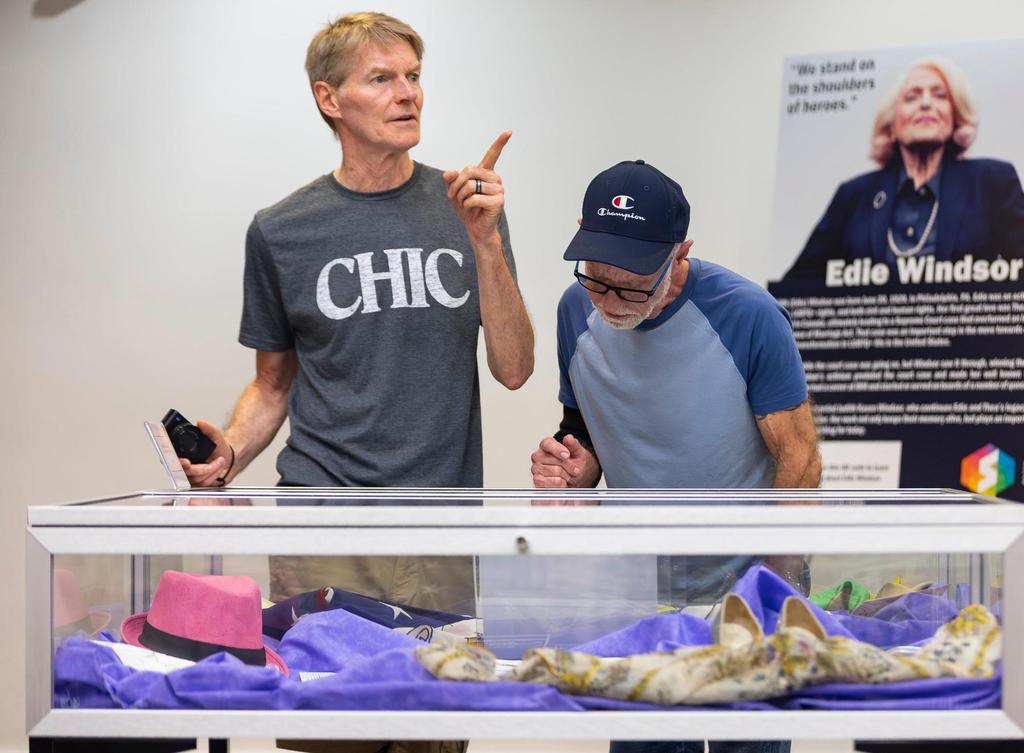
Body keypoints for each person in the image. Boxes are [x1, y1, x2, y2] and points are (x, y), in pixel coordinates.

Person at [176, 13, 535, 753]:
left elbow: (514, 367)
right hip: (324, 523)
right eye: (382, 79)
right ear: (329, 99)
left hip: (440, 525)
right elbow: (272, 386)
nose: (408, 94)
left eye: (412, 76)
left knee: (432, 739)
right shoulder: (282, 230)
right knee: (330, 737)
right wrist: (228, 452)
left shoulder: (466, 209)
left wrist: (488, 243)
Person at [531, 159, 820, 753]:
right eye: (596, 275)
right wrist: (574, 468)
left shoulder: (749, 316)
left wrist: (771, 589)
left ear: (679, 253)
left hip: (747, 580)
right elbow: (583, 431)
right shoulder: (573, 311)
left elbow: (801, 462)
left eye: (632, 280)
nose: (610, 298)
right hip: (642, 591)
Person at [783, 56, 1024, 281]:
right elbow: (798, 290)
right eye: (911, 97)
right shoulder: (853, 195)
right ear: (891, 125)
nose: (925, 103)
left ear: (955, 118)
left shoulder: (992, 182)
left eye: (940, 95)